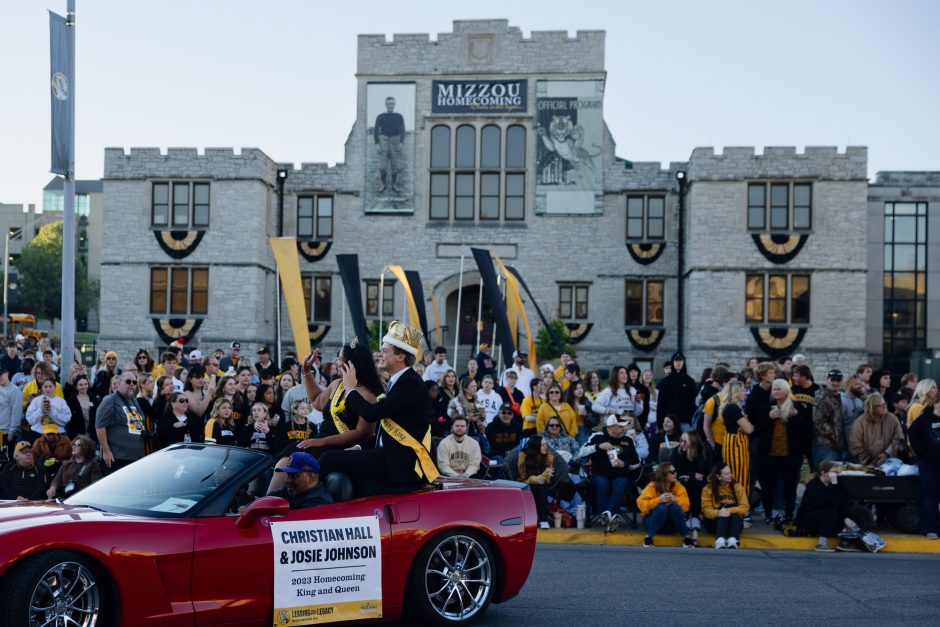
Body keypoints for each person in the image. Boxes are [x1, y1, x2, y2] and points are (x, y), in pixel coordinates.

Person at [319, 321, 438, 494]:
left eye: (384, 350)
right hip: (389, 457)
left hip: (399, 463)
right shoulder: (399, 381)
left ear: (400, 357)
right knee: (355, 482)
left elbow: (371, 413)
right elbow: (386, 427)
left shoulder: (410, 383)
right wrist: (360, 447)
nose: (379, 354)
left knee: (328, 459)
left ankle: (312, 506)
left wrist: (351, 389)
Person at [580, 415, 642, 532]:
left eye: (624, 427)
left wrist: (625, 464)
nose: (624, 429)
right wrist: (598, 446)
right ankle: (610, 516)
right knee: (603, 483)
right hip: (599, 474)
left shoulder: (628, 440)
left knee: (621, 483)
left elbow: (637, 462)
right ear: (612, 427)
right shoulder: (598, 436)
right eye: (621, 427)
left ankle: (605, 516)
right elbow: (581, 453)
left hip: (620, 474)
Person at [795, 461, 873, 552]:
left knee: (856, 511)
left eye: (836, 472)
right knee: (830, 512)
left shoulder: (835, 484)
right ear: (823, 472)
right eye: (832, 472)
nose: (835, 475)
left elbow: (845, 501)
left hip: (829, 520)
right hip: (810, 521)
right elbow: (828, 503)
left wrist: (847, 517)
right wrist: (845, 518)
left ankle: (845, 542)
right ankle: (821, 543)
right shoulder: (814, 485)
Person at [755, 379, 801, 524]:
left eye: (778, 389)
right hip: (770, 454)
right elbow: (758, 428)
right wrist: (769, 417)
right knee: (768, 486)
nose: (775, 392)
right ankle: (768, 513)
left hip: (790, 454)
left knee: (790, 486)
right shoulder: (766, 406)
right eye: (774, 389)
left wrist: (796, 417)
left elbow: (804, 431)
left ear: (786, 391)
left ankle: (788, 514)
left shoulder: (796, 406)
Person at [95, 371, 149, 473]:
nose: (132, 384)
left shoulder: (134, 400)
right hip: (118, 458)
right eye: (128, 381)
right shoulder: (110, 400)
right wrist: (106, 451)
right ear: (119, 383)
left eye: (134, 382)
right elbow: (100, 427)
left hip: (136, 456)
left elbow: (137, 422)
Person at [636, 463, 693, 547]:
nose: (676, 473)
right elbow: (642, 505)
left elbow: (686, 506)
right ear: (664, 474)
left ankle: (686, 538)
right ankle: (648, 538)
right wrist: (658, 500)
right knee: (661, 508)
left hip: (670, 525)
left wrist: (675, 499)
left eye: (675, 471)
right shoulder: (652, 486)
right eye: (672, 472)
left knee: (674, 507)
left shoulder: (678, 486)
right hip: (652, 522)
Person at [907, 399, 940, 538]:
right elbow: (912, 433)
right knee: (931, 495)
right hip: (928, 464)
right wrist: (921, 453)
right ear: (936, 403)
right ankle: (930, 528)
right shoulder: (924, 418)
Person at [671, 431, 709, 545]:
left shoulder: (702, 452)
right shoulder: (676, 452)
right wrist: (693, 475)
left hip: (699, 483)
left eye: (685, 441)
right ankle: (686, 514)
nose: (682, 444)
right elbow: (674, 471)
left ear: (693, 443)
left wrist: (691, 476)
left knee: (696, 484)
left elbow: (706, 473)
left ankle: (695, 515)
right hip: (680, 482)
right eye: (681, 440)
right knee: (686, 484)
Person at [701, 463, 749, 549]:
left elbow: (745, 507)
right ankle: (720, 540)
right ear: (718, 476)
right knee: (723, 515)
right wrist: (719, 513)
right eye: (727, 474)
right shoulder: (707, 489)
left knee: (735, 514)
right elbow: (706, 510)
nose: (730, 475)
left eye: (730, 472)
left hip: (734, 523)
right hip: (715, 523)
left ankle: (733, 540)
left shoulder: (737, 487)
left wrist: (728, 511)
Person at [848, 392, 904, 466]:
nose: (884, 407)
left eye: (885, 404)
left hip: (889, 463)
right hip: (867, 466)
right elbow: (855, 445)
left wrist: (887, 454)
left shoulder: (892, 419)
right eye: (880, 406)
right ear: (872, 408)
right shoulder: (860, 423)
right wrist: (869, 462)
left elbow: (899, 438)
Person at [266, 452, 333, 509]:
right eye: (288, 475)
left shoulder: (318, 504)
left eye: (295, 476)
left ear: (310, 477)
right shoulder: (293, 491)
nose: (287, 481)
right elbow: (268, 499)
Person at [46, 435, 101, 500]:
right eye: (73, 444)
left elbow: (96, 485)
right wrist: (53, 487)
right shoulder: (67, 464)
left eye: (78, 445)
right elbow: (57, 479)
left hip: (83, 499)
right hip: (66, 497)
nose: (74, 447)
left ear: (86, 448)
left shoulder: (92, 465)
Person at [517, 435, 555, 528]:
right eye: (542, 445)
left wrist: (540, 478)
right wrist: (537, 478)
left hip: (543, 482)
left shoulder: (548, 455)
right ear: (535, 446)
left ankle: (543, 519)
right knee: (532, 489)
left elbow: (547, 477)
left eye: (545, 444)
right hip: (527, 482)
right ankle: (531, 520)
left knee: (542, 490)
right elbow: (523, 476)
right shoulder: (523, 455)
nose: (546, 447)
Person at [813, 369, 847, 469]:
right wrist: (835, 437)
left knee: (833, 479)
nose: (835, 383)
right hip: (824, 446)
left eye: (838, 380)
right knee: (823, 476)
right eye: (832, 380)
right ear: (827, 380)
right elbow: (818, 421)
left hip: (836, 446)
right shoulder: (821, 396)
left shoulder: (838, 396)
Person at [373, 95, 405, 194]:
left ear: (394, 104)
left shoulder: (399, 116)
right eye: (388, 104)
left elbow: (403, 130)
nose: (390, 105)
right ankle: (383, 184)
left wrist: (401, 143)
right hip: (383, 139)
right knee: (382, 165)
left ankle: (394, 184)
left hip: (395, 139)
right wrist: (377, 143)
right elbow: (376, 130)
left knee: (395, 164)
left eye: (392, 104)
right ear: (385, 105)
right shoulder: (380, 116)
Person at [656, 352, 697, 428]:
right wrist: (660, 424)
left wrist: (692, 421)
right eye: (676, 361)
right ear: (672, 362)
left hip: (685, 422)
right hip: (668, 422)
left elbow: (693, 403)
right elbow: (660, 404)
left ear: (683, 362)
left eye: (680, 361)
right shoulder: (665, 382)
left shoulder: (690, 382)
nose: (678, 363)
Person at [0, 366, 23, 452]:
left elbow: (16, 413)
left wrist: (11, 432)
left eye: (1, 374)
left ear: (7, 373)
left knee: (4, 461)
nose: (0, 377)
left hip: (6, 432)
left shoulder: (15, 391)